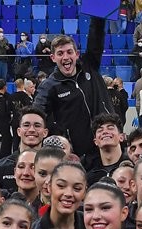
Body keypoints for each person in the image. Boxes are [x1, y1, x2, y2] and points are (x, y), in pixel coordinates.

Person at [34, 19, 114, 157]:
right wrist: (61, 139)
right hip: (78, 156)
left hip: (108, 145)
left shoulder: (90, 66)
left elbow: (96, 35)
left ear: (76, 54)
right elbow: (36, 116)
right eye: (60, 53)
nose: (65, 57)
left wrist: (99, 13)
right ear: (53, 58)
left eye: (69, 52)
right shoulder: (49, 86)